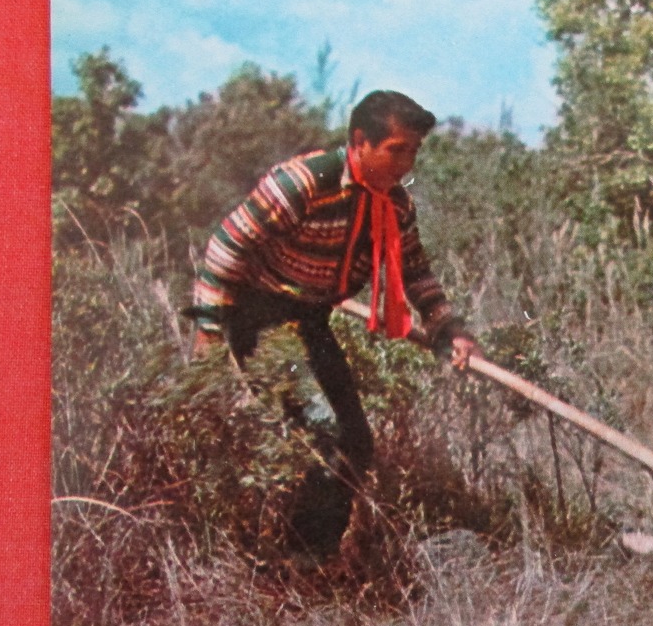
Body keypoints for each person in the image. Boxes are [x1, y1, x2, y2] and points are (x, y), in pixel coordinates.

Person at [189, 89, 480, 556]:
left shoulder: (395, 205)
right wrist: (208, 332)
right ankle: (272, 557)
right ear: (360, 141)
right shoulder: (301, 184)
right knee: (326, 438)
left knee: (356, 443)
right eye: (396, 150)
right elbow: (226, 249)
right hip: (257, 316)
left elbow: (415, 272)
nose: (405, 164)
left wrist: (451, 329)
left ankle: (309, 561)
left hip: (310, 321)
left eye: (413, 152)